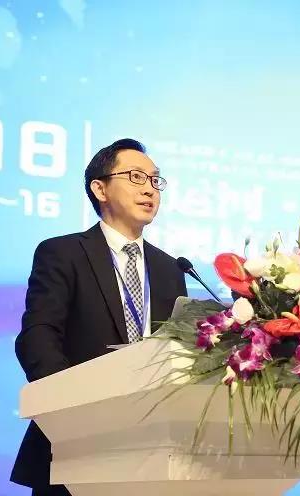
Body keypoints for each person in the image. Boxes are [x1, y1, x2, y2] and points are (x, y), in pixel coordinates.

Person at [10, 138, 187, 495]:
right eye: (136, 177)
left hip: (153, 449)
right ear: (100, 188)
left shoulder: (171, 268)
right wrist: (70, 409)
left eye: (155, 180)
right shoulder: (63, 253)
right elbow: (38, 335)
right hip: (75, 445)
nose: (149, 189)